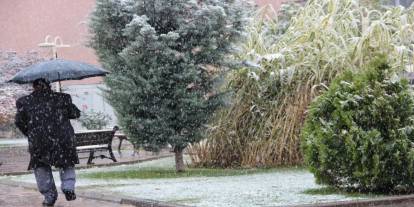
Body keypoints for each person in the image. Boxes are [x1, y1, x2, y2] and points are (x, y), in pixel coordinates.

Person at [15, 78, 80, 207]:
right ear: (49, 85)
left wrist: (30, 132)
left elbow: (19, 121)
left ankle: (49, 195)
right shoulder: (63, 98)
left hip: (39, 139)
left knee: (41, 167)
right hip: (63, 137)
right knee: (66, 162)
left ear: (33, 86)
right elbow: (75, 114)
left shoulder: (24, 101)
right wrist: (65, 104)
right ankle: (68, 187)